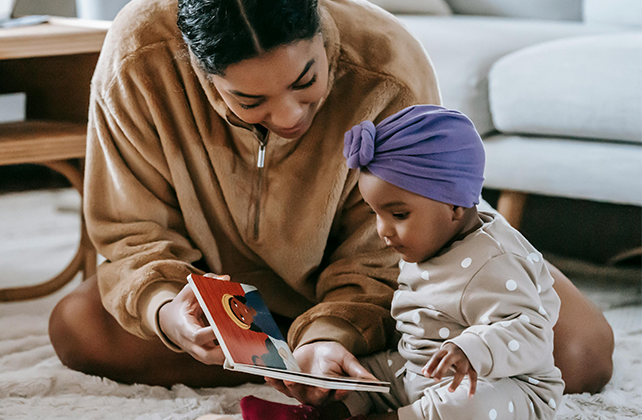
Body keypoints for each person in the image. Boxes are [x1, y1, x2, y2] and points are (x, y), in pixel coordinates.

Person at [47, 0, 613, 395]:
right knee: (80, 328)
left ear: (320, 28)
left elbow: (390, 249)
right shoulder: (139, 57)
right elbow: (131, 231)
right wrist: (169, 311)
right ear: (199, 67)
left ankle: (340, 360)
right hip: (225, 285)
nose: (288, 116)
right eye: (249, 100)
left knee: (577, 353)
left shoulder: (386, 61)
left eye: (305, 81)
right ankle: (342, 371)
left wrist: (331, 333)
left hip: (394, 286)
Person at [242, 105, 566, 420]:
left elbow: (533, 333)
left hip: (497, 382)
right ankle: (321, 414)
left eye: (398, 215)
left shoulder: (495, 261)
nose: (383, 230)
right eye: (376, 214)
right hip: (417, 369)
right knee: (359, 375)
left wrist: (472, 349)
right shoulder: (428, 241)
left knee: (466, 407)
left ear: (454, 205)